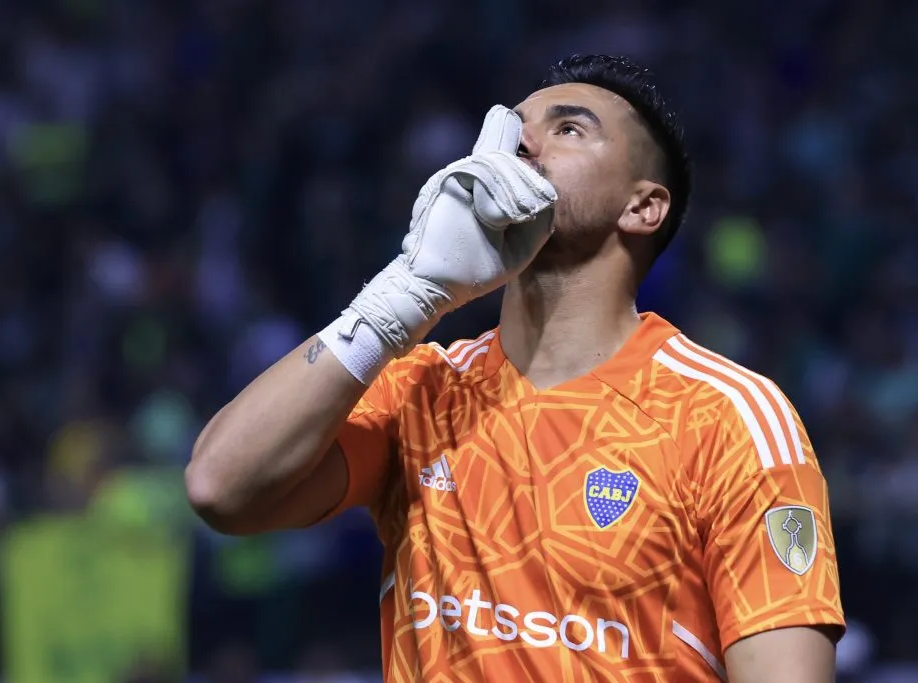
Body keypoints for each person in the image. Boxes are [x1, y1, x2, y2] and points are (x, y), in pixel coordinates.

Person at [187, 54, 845, 682]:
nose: (522, 147)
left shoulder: (726, 418)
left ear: (643, 206)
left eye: (567, 129)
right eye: (514, 130)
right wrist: (403, 294)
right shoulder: (421, 390)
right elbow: (222, 485)